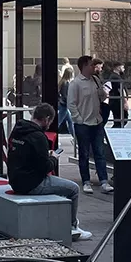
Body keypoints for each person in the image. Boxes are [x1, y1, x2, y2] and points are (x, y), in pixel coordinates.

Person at [7, 103, 92, 241]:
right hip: (32, 183)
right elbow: (45, 167)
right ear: (46, 119)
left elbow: (22, 155)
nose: (50, 124)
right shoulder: (39, 136)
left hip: (15, 180)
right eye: (50, 121)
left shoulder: (17, 130)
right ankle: (71, 228)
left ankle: (65, 222)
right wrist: (53, 158)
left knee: (63, 187)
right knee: (73, 189)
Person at [68, 55, 114, 194]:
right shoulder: (75, 83)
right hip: (83, 123)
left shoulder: (95, 80)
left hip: (96, 121)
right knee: (84, 153)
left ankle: (104, 181)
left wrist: (101, 90)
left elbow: (102, 97)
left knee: (99, 152)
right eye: (90, 65)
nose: (93, 68)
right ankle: (86, 181)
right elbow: (71, 103)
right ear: (83, 67)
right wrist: (79, 119)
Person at [108, 62, 129, 128]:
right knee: (121, 120)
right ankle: (113, 134)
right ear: (118, 67)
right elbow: (120, 90)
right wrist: (124, 102)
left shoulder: (115, 76)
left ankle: (114, 134)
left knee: (119, 120)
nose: (124, 69)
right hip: (117, 102)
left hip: (116, 102)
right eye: (122, 67)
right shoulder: (115, 77)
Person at [58, 67, 75, 138]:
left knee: (70, 121)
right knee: (58, 122)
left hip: (63, 105)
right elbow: (65, 95)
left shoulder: (62, 81)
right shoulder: (66, 83)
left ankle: (76, 139)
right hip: (64, 105)